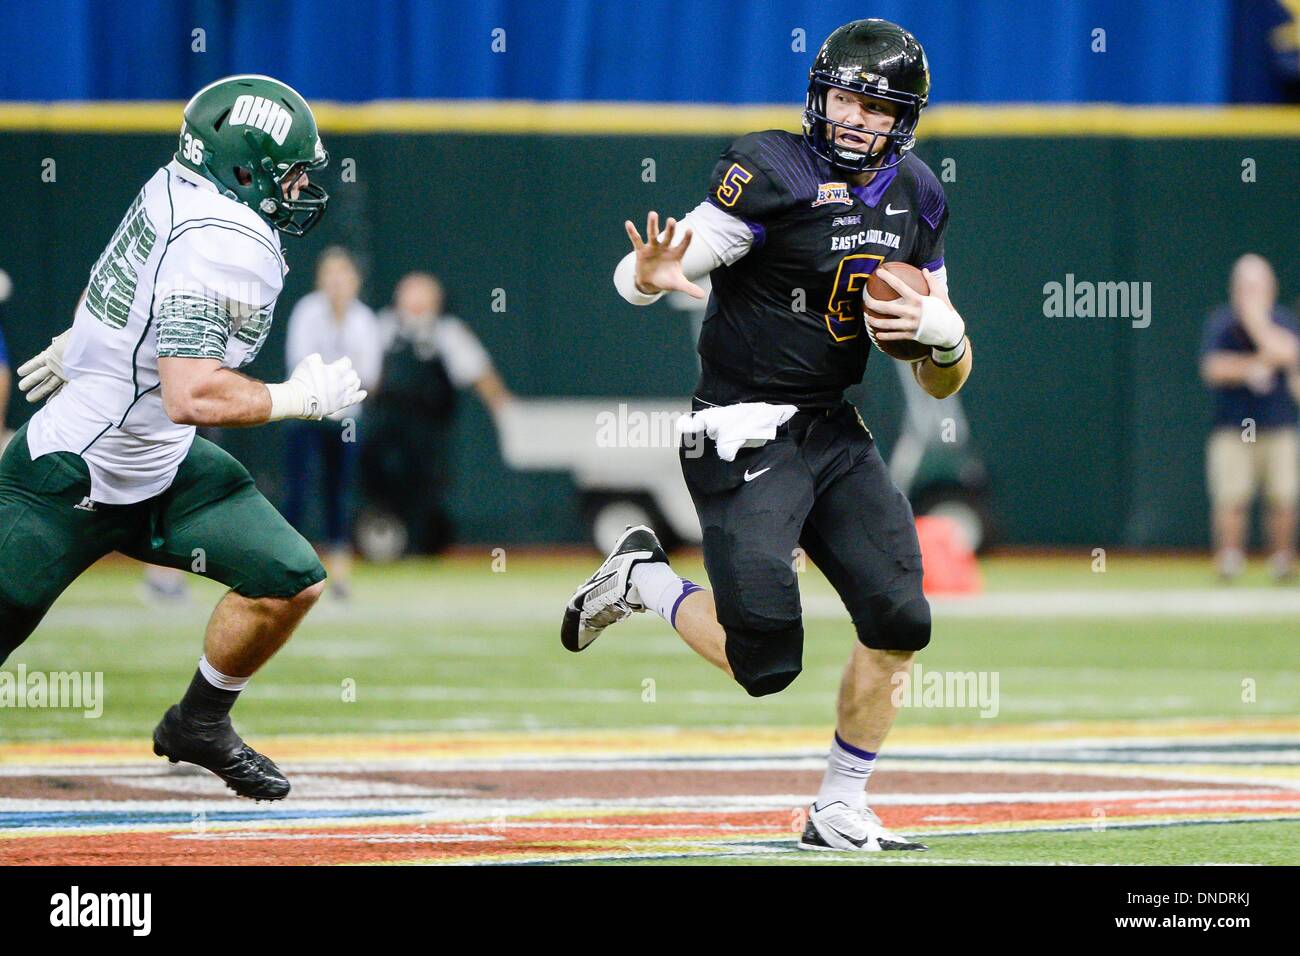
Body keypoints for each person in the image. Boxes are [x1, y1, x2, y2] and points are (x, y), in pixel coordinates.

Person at [561, 20, 972, 852]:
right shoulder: (774, 170)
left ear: (906, 119)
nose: (856, 118)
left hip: (832, 425)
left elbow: (943, 377)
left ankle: (839, 804)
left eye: (877, 105)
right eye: (845, 97)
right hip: (741, 427)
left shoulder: (918, 195)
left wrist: (946, 333)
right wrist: (643, 276)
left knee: (901, 616)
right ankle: (644, 581)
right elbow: (678, 252)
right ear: (820, 96)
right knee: (765, 664)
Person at [2, 75, 368, 800]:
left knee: (290, 578)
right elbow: (190, 393)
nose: (299, 186)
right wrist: (301, 396)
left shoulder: (178, 183)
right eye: (289, 171)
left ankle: (199, 722)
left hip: (157, 465)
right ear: (243, 169)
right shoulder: (226, 241)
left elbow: (111, 279)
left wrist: (92, 339)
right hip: (71, 475)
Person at [365, 271, 511, 553]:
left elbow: (479, 373)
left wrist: (503, 408)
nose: (415, 300)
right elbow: (364, 373)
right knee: (384, 482)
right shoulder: (382, 328)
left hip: (429, 428)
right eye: (409, 292)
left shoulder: (448, 332)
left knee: (427, 486)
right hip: (387, 429)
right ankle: (384, 542)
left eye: (423, 293)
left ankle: (422, 545)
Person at [281, 248, 382, 596]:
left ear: (355, 280)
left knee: (339, 494)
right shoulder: (307, 312)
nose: (337, 282)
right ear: (320, 278)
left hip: (346, 420)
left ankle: (339, 575)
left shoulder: (364, 320)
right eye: (330, 273)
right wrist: (327, 391)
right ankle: (284, 567)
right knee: (297, 490)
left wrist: (337, 392)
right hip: (305, 415)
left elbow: (369, 374)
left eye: (344, 273)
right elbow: (299, 363)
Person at [1200, 254, 1300, 581]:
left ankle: (1282, 561)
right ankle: (1230, 560)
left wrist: (1258, 325)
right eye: (1245, 285)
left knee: (1283, 496)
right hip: (1235, 427)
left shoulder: (1283, 321)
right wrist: (1252, 366)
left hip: (1277, 425)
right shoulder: (1222, 323)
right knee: (1232, 496)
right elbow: (1214, 368)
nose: (1251, 292)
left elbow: (1289, 352)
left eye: (1258, 285)